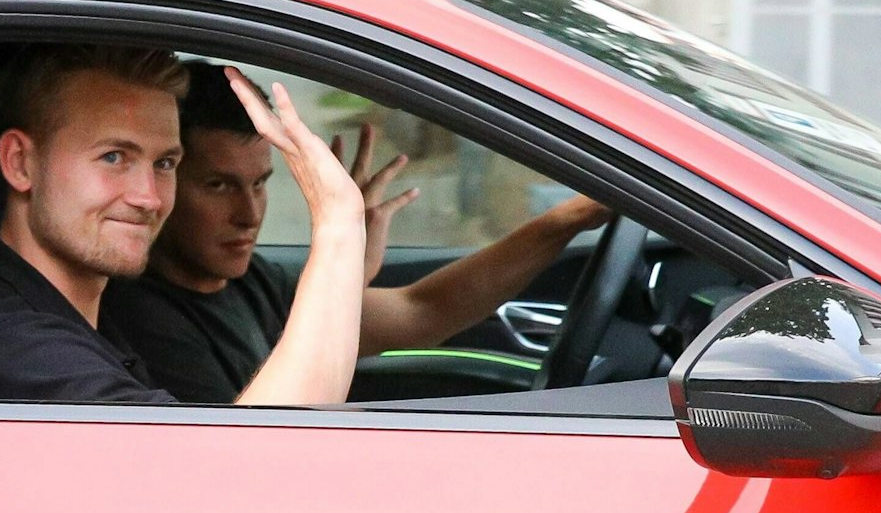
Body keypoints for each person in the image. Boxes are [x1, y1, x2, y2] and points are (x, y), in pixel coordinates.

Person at [100, 62, 612, 403]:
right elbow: (251, 455)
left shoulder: (245, 280)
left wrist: (565, 221)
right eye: (218, 186)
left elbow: (422, 311)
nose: (249, 213)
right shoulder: (143, 320)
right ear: (162, 181)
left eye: (260, 183)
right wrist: (337, 236)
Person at [0, 43, 370, 405]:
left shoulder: (62, 310)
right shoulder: (21, 349)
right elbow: (246, 466)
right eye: (114, 157)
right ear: (20, 163)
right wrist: (338, 226)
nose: (149, 197)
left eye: (165, 163)